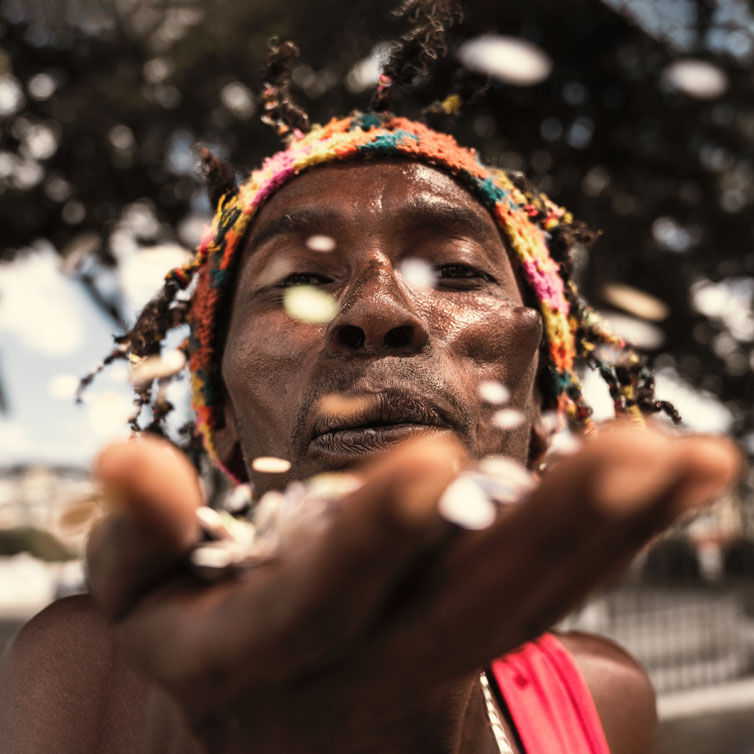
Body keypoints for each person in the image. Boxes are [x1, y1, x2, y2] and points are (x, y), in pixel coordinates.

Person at [0, 14, 742, 754]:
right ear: (221, 417)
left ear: (545, 405)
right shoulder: (88, 676)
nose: (378, 309)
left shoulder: (604, 698)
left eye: (455, 270)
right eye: (298, 283)